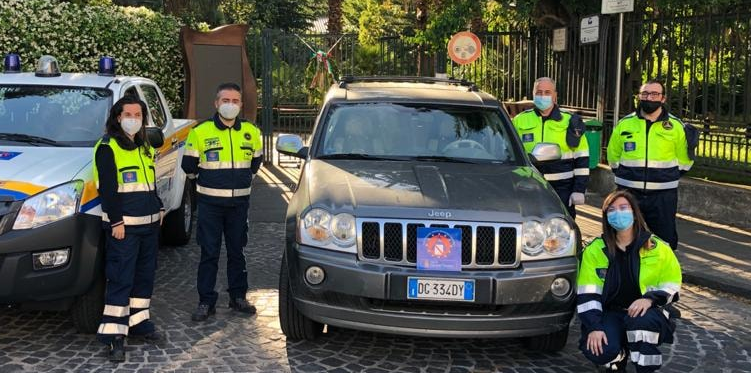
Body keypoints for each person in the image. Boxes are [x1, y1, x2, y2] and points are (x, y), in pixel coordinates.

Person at [182, 83, 263, 322]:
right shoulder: (200, 131)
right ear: (216, 103)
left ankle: (238, 297)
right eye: (225, 100)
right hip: (210, 205)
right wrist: (210, 184)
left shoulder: (251, 132)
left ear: (240, 105)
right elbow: (189, 167)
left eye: (235, 101)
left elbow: (256, 163)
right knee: (209, 252)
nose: (230, 105)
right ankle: (206, 301)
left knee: (237, 251)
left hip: (239, 205)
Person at [93, 96, 165, 362]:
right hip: (124, 227)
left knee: (144, 277)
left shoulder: (143, 146)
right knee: (121, 278)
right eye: (129, 114)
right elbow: (108, 190)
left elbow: (150, 183)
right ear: (117, 117)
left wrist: (158, 207)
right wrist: (116, 222)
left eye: (138, 115)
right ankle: (114, 336)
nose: (134, 119)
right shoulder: (107, 147)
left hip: (148, 225)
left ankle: (139, 323)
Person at [577, 190, 682, 372]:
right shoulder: (595, 250)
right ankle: (618, 356)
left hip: (647, 313)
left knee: (642, 324)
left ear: (634, 212)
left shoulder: (658, 248)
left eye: (623, 207)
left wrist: (649, 299)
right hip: (612, 313)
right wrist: (594, 327)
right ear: (606, 217)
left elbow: (672, 284)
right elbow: (587, 293)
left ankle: (646, 368)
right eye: (611, 210)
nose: (618, 213)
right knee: (599, 350)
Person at [607, 80, 697, 251]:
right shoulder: (625, 123)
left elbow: (685, 159)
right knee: (624, 237)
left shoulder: (676, 126)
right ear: (639, 97)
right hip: (629, 193)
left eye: (654, 94)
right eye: (645, 94)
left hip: (663, 195)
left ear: (663, 99)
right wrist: (624, 175)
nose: (649, 97)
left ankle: (664, 274)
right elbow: (613, 154)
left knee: (665, 240)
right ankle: (626, 272)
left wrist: (668, 177)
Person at [512, 77, 589, 218]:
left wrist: (579, 190)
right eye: (539, 92)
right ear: (533, 94)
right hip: (528, 186)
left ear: (555, 96)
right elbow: (510, 153)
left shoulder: (570, 121)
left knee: (562, 229)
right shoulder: (519, 120)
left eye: (547, 92)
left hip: (562, 189)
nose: (543, 96)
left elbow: (582, 158)